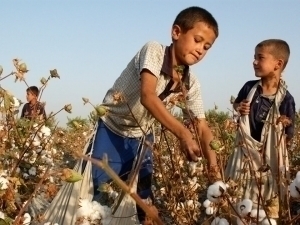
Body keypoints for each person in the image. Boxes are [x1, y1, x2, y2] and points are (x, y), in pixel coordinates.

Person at [92, 6, 220, 224]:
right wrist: (183, 133)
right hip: (112, 128)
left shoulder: (191, 83)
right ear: (176, 32)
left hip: (142, 136)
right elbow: (147, 96)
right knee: (101, 195)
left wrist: (215, 173)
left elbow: (201, 126)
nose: (201, 50)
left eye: (207, 47)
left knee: (144, 198)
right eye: (197, 40)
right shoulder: (155, 51)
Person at [225, 39, 295, 218]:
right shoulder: (250, 88)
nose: (254, 61)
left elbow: (287, 135)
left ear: (278, 64)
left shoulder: (286, 99)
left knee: (267, 201)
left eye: (260, 57)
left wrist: (269, 149)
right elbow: (237, 105)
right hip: (245, 152)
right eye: (254, 57)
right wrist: (239, 107)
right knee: (237, 193)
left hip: (269, 158)